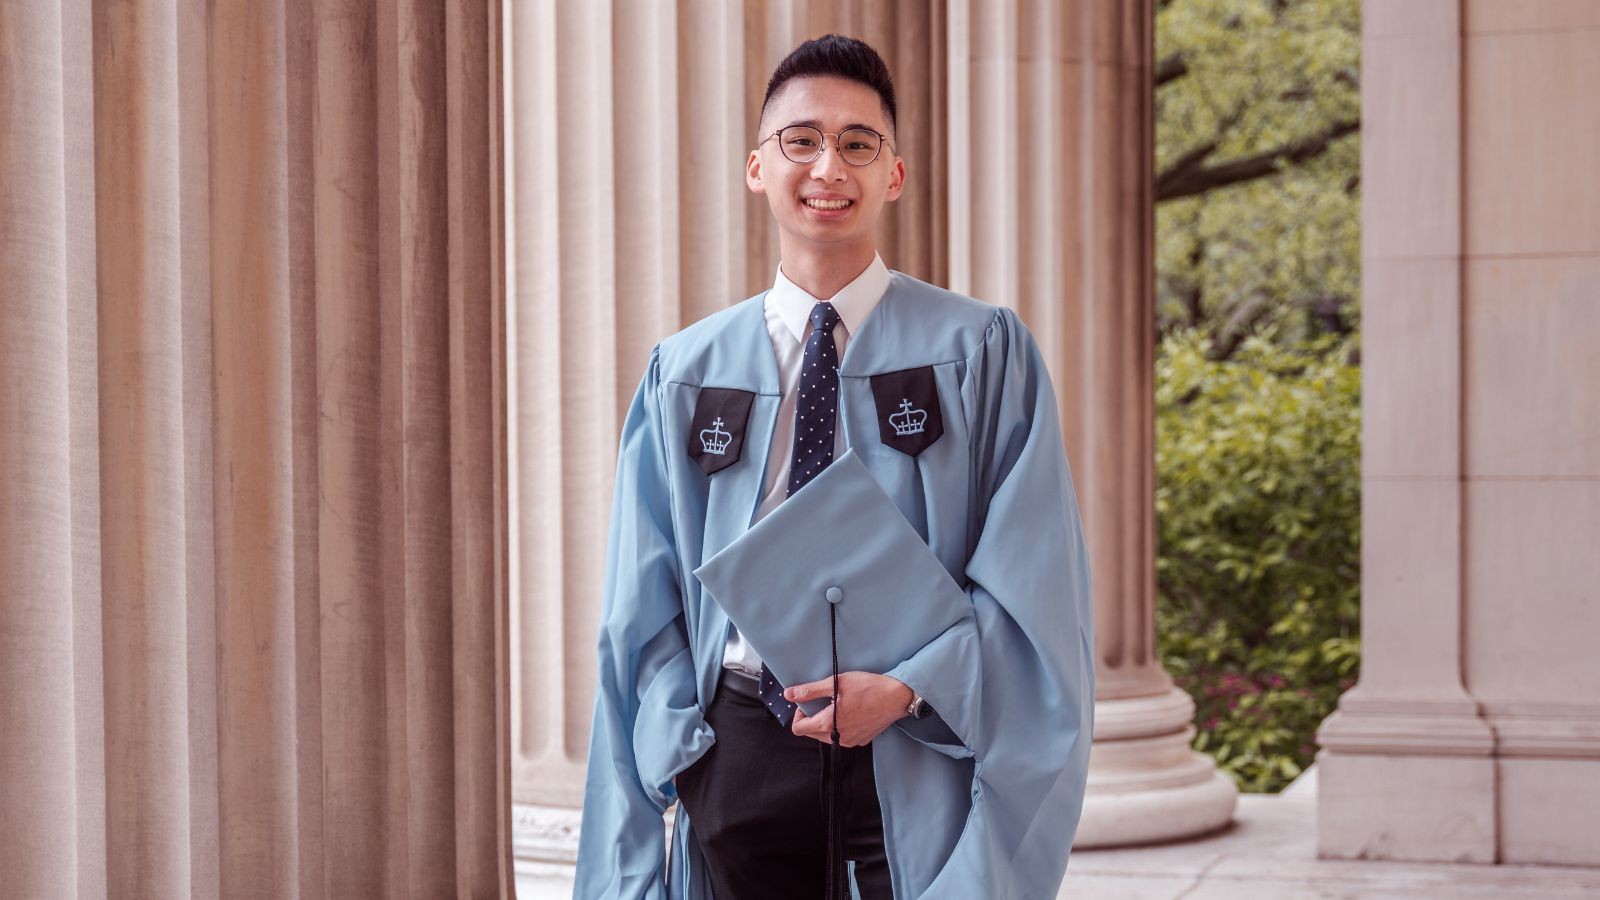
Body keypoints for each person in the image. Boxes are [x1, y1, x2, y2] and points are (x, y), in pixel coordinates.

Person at [573, 34, 1094, 900]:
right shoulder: (688, 369)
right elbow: (641, 606)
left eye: (859, 143)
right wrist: (685, 751)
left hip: (912, 745)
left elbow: (1034, 590)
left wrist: (909, 688)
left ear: (893, 174)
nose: (829, 166)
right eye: (801, 140)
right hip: (737, 746)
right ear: (756, 168)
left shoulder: (981, 351)